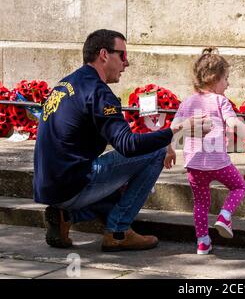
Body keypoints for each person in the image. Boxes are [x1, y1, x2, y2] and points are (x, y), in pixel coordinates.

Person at [33, 29, 210, 252]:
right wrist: (177, 129)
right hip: (72, 184)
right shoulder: (98, 92)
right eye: (123, 56)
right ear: (104, 55)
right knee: (155, 153)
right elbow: (128, 145)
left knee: (120, 187)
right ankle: (118, 231)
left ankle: (66, 215)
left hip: (49, 185)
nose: (127, 64)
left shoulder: (68, 83)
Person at [164, 47, 245, 255]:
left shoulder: (187, 102)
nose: (228, 84)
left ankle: (202, 242)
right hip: (219, 162)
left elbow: (172, 129)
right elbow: (234, 124)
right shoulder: (221, 101)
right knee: (238, 187)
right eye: (226, 79)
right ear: (214, 78)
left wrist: (169, 150)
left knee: (200, 203)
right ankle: (224, 216)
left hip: (194, 165)